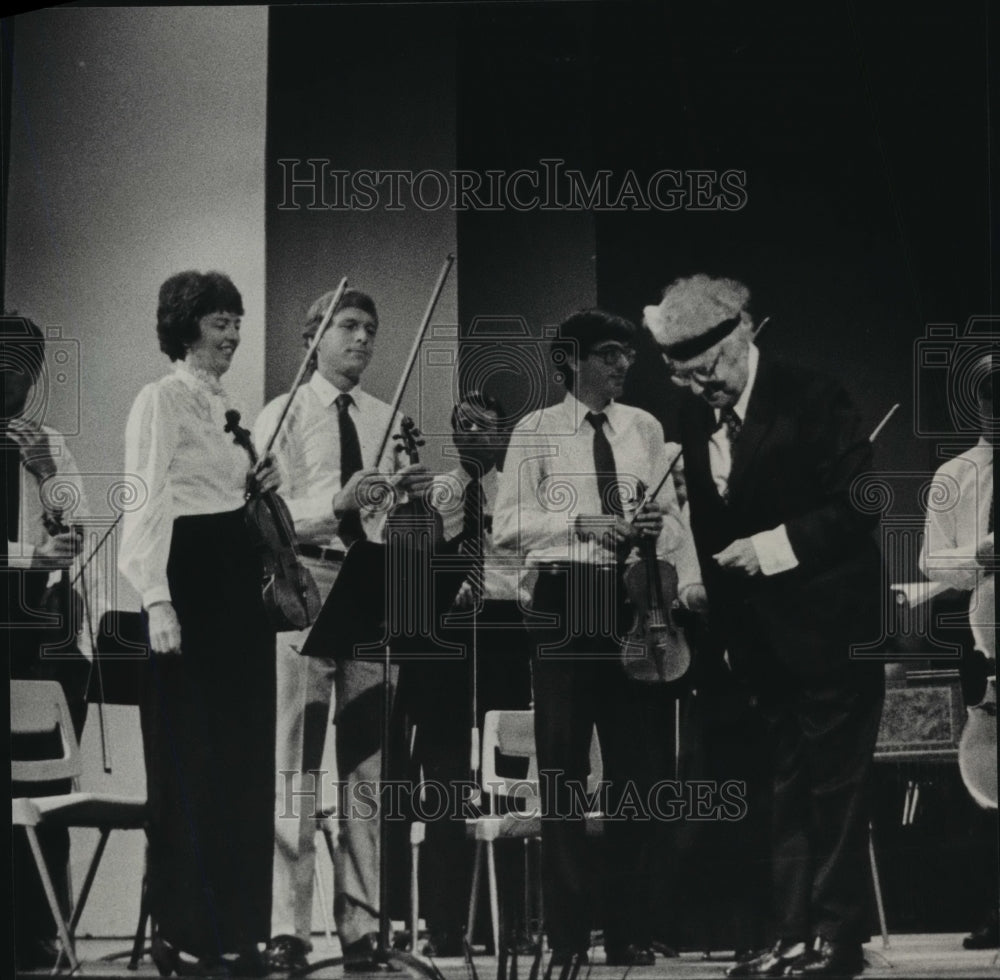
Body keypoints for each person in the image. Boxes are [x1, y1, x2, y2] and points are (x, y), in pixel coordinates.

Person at [645, 274, 885, 979]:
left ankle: (837, 942)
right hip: (764, 645)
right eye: (686, 378)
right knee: (783, 789)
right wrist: (725, 635)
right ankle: (792, 938)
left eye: (708, 371)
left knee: (834, 790)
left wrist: (771, 548)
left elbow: (860, 504)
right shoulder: (695, 416)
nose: (702, 389)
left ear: (740, 337)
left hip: (834, 630)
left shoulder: (813, 396)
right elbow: (711, 526)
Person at [493, 309, 702, 969]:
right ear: (571, 360)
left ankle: (627, 928)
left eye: (627, 355)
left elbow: (671, 521)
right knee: (563, 768)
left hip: (631, 598)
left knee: (636, 766)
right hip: (566, 594)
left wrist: (657, 523)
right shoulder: (535, 431)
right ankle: (567, 935)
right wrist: (579, 521)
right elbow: (506, 527)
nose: (622, 365)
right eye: (609, 353)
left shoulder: (645, 428)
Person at [253, 288, 432, 973]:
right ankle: (288, 929)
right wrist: (338, 501)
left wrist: (412, 500)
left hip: (371, 583)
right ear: (314, 338)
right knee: (294, 762)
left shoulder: (390, 419)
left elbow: (400, 524)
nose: (362, 339)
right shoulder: (284, 413)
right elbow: (266, 517)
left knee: (368, 765)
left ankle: (362, 924)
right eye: (349, 326)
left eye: (370, 329)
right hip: (303, 581)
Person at [119, 271, 280, 977]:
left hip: (237, 585)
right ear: (187, 328)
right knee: (192, 763)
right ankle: (182, 935)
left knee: (244, 763)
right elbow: (146, 499)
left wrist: (259, 486)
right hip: (188, 580)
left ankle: (238, 935)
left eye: (237, 321)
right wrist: (156, 598)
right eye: (220, 322)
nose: (234, 334)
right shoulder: (160, 400)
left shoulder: (226, 409)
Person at [399, 390, 533, 956]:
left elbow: (532, 562)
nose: (476, 436)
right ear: (454, 436)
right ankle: (444, 923)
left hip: (505, 632)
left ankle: (506, 924)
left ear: (503, 435)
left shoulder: (520, 493)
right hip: (448, 636)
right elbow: (411, 572)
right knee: (446, 781)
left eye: (487, 427)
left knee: (507, 781)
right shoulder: (437, 494)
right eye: (466, 427)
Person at [3, 314, 91, 972]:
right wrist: (28, 555)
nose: (13, 370)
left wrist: (44, 472)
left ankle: (39, 929)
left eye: (25, 361)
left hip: (35, 622)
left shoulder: (49, 443)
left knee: (44, 783)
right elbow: (34, 552)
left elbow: (74, 532)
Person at [919, 356, 996, 950]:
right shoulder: (956, 475)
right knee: (991, 776)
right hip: (988, 642)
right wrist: (981, 556)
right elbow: (931, 560)